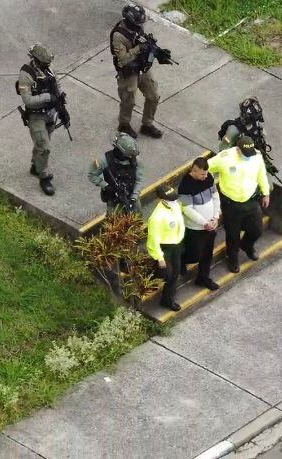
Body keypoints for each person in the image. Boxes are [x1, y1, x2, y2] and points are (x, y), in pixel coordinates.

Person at [207, 136, 270, 274]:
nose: (248, 156)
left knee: (257, 229)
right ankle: (233, 258)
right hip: (231, 203)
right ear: (237, 149)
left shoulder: (256, 156)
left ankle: (247, 245)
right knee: (232, 234)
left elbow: (261, 174)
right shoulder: (225, 157)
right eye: (245, 154)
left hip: (250, 200)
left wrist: (265, 193)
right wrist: (209, 186)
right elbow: (206, 167)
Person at [110, 5, 172, 139]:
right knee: (128, 100)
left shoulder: (137, 27)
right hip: (127, 71)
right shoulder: (118, 35)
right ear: (129, 21)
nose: (139, 26)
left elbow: (144, 42)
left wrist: (158, 53)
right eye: (137, 23)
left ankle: (147, 124)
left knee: (154, 95)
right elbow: (123, 59)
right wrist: (138, 49)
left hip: (141, 67)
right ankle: (124, 125)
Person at [16, 43, 71, 196]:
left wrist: (62, 108)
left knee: (43, 142)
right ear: (35, 60)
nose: (48, 66)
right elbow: (27, 100)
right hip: (36, 115)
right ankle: (43, 176)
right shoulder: (26, 74)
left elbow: (56, 86)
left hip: (50, 113)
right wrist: (48, 97)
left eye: (48, 63)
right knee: (44, 147)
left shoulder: (49, 70)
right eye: (45, 63)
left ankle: (35, 166)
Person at [178, 157, 221, 291]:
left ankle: (203, 278)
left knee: (207, 254)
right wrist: (204, 223)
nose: (206, 176)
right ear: (194, 171)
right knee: (194, 255)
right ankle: (180, 261)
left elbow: (215, 196)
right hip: (195, 228)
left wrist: (215, 217)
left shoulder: (209, 178)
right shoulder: (185, 186)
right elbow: (187, 209)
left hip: (210, 225)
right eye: (203, 174)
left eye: (206, 173)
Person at [217, 96, 281, 184]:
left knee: (268, 186)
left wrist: (267, 164)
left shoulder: (257, 126)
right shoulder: (234, 130)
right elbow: (223, 151)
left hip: (253, 160)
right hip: (240, 164)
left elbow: (260, 145)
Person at [146, 185, 185, 312]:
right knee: (167, 274)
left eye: (174, 198)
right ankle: (147, 275)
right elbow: (153, 240)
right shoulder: (157, 217)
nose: (174, 201)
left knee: (175, 274)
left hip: (176, 245)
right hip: (164, 248)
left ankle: (167, 300)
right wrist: (159, 257)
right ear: (161, 199)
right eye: (170, 199)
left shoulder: (175, 206)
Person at [88, 132, 144, 213]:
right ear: (121, 153)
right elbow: (92, 175)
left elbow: (140, 180)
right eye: (129, 156)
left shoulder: (136, 161)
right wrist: (105, 185)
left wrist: (134, 197)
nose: (132, 158)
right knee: (113, 218)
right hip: (113, 196)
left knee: (137, 211)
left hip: (131, 194)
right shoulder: (103, 161)